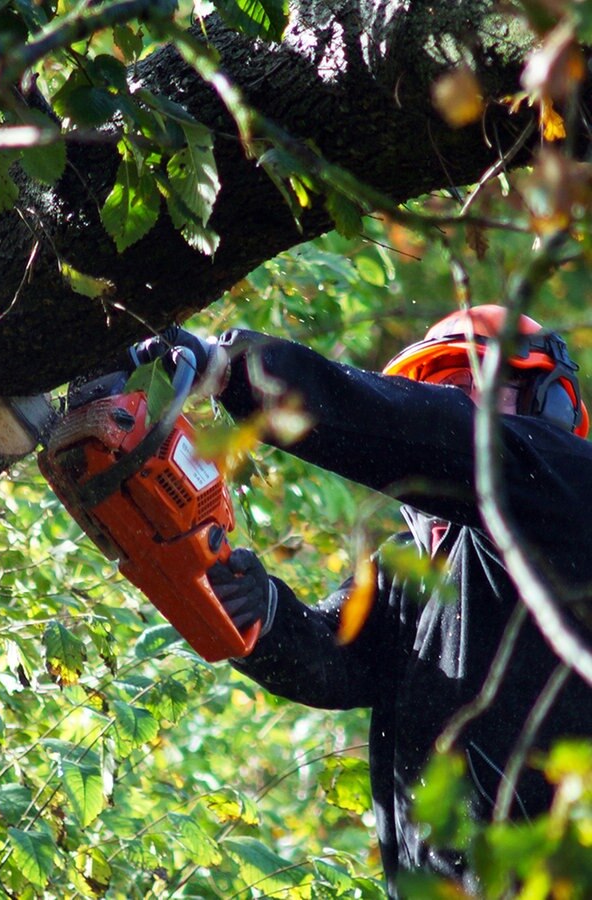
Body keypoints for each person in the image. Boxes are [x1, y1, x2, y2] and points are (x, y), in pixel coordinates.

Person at [194, 303, 592, 897]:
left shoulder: (571, 493)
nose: (458, 413)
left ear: (548, 406)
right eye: (439, 396)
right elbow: (337, 660)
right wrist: (254, 609)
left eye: (472, 392)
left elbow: (440, 439)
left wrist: (230, 368)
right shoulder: (412, 569)